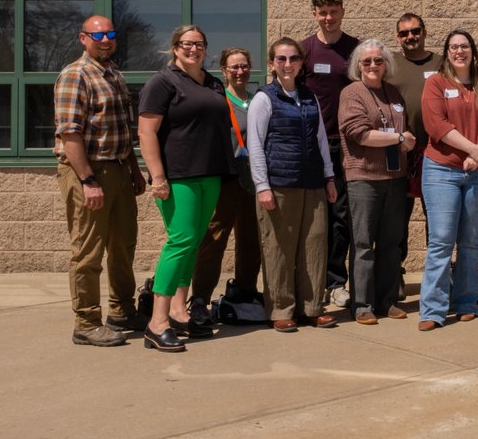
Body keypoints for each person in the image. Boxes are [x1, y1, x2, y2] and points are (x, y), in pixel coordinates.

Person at [137, 25, 233, 351]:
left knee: (194, 243)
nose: (194, 49)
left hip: (210, 174)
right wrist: (158, 177)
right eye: (187, 44)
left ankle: (179, 310)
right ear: (175, 47)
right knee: (180, 242)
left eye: (200, 44)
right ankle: (157, 321)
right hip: (177, 177)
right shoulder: (162, 82)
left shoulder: (214, 82)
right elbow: (147, 133)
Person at [53, 15, 147, 347]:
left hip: (119, 168)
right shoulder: (75, 76)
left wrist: (134, 170)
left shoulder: (114, 75)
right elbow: (69, 133)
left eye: (110, 34)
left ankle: (122, 311)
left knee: (123, 245)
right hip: (88, 171)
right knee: (88, 251)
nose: (105, 39)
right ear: (83, 38)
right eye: (98, 34)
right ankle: (87, 322)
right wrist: (88, 180)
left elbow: (122, 130)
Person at [248, 37, 339, 333]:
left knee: (314, 245)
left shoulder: (309, 97)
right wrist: (262, 185)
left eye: (293, 59)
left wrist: (328, 177)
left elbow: (321, 140)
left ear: (301, 63)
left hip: (312, 183)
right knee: (279, 248)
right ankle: (281, 309)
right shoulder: (265, 98)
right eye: (281, 59)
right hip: (279, 184)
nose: (288, 65)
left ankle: (312, 307)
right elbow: (256, 145)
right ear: (273, 64)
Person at [417, 30, 478, 331]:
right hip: (442, 170)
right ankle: (432, 309)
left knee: (470, 241)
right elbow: (436, 124)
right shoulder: (436, 84)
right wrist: (474, 150)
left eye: (464, 46)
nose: (459, 52)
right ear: (447, 52)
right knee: (441, 240)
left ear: (473, 51)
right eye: (453, 47)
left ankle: (467, 301)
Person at [338, 38, 416, 325]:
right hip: (364, 179)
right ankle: (362, 304)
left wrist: (405, 141)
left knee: (391, 243)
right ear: (358, 66)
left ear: (386, 65)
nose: (373, 65)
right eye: (367, 61)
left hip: (394, 179)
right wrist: (398, 139)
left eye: (378, 61)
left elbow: (403, 128)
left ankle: (387, 301)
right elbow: (358, 133)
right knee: (363, 244)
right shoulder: (352, 93)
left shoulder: (393, 93)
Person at [190, 47, 261, 322]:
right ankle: (200, 298)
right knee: (215, 240)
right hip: (225, 180)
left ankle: (244, 291)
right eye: (234, 67)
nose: (240, 71)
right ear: (224, 71)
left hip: (252, 181)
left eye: (244, 66)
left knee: (251, 241)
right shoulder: (219, 100)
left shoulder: (256, 100)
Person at [300, 0, 360, 308]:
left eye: (334, 12)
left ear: (342, 12)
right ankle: (310, 280)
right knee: (312, 216)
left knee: (340, 217)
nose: (328, 18)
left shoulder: (355, 49)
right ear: (314, 15)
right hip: (312, 146)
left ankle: (336, 282)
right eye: (323, 13)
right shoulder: (304, 50)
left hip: (345, 146)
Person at [385, 12, 442, 276]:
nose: (411, 37)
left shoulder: (441, 63)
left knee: (436, 217)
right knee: (397, 218)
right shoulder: (389, 64)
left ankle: (437, 274)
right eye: (405, 33)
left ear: (424, 32)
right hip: (400, 152)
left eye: (415, 31)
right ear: (398, 37)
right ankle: (394, 272)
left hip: (435, 151)